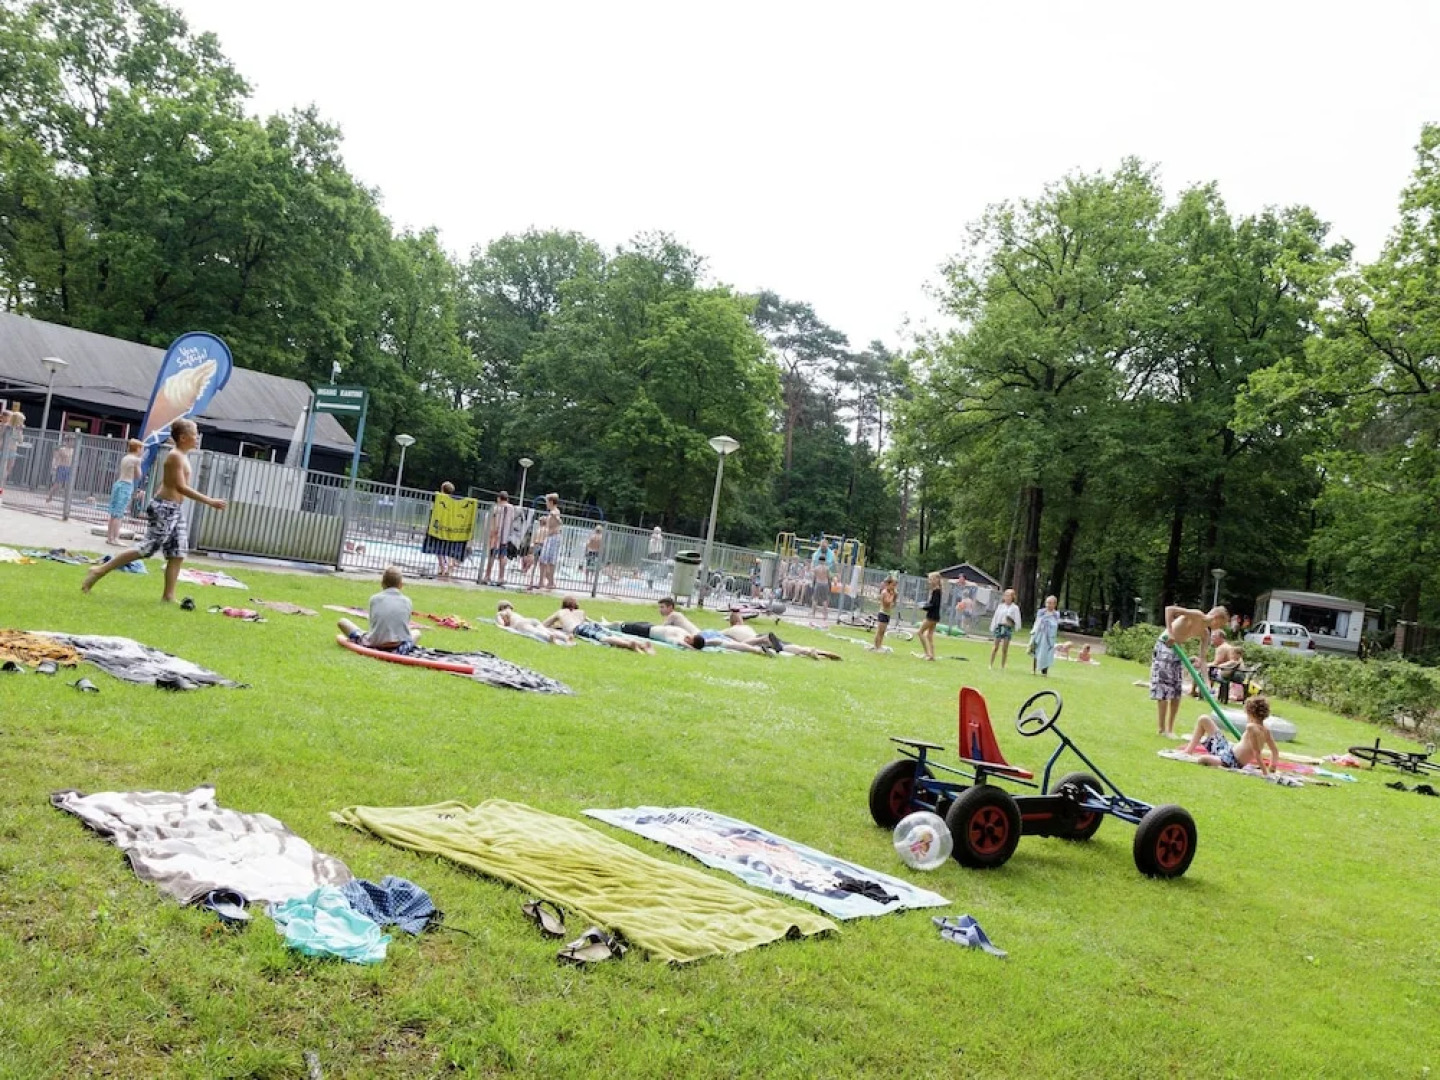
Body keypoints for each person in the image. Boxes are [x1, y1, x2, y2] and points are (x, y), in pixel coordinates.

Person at [81, 420, 228, 602]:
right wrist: (210, 501)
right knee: (147, 547)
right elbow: (180, 487)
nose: (197, 438)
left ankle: (168, 596)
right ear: (183, 438)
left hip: (174, 508)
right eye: (195, 434)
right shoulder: (175, 456)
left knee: (178, 551)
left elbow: (167, 483)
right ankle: (99, 570)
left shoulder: (182, 456)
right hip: (165, 508)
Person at [1151, 604, 1229, 736]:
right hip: (1164, 645)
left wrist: (1207, 683)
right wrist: (1170, 632)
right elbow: (1169, 609)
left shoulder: (1205, 633)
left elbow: (1203, 660)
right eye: (1221, 624)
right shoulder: (1197, 615)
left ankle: (1170, 729)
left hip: (1177, 649)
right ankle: (1161, 729)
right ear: (1216, 618)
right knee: (1163, 690)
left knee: (1176, 692)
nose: (1220, 628)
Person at [1180, 696, 1279, 775]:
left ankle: (1196, 753)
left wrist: (1266, 773)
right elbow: (1275, 751)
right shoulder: (1266, 730)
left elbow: (1257, 753)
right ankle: (1188, 751)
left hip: (1230, 761)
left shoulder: (1252, 728)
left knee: (1203, 759)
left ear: (1250, 713)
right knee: (1204, 719)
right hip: (1227, 748)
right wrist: (1272, 766)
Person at [336, 566, 420, 653]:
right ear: (401, 585)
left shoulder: (374, 599)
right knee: (416, 633)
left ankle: (367, 639)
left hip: (373, 642)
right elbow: (404, 626)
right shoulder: (407, 601)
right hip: (398, 645)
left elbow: (373, 624)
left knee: (342, 622)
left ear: (382, 583)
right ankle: (394, 647)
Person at [543, 596, 653, 653]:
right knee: (609, 635)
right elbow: (591, 621)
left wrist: (558, 626)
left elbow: (544, 624)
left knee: (603, 639)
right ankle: (642, 644)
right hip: (591, 626)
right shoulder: (581, 612)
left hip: (579, 628)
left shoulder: (561, 612)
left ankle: (629, 645)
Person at [722, 610, 840, 659]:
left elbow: (715, 634)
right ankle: (811, 651)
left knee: (739, 644)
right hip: (761, 636)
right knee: (785, 646)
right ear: (740, 621)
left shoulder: (731, 630)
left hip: (757, 639)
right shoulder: (746, 627)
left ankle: (809, 652)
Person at [422, 481, 475, 579]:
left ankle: (443, 567)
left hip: (440, 528)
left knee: (439, 549)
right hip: (452, 529)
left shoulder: (439, 499)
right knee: (450, 548)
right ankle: (449, 567)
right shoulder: (456, 502)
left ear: (442, 489)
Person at [105, 439, 144, 545]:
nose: (142, 451)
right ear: (138, 448)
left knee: (113, 513)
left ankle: (110, 537)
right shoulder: (136, 460)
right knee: (119, 513)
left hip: (118, 483)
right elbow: (138, 475)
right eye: (141, 448)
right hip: (126, 485)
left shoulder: (125, 457)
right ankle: (116, 538)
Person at [496, 600, 573, 645]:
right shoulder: (514, 613)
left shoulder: (501, 613)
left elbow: (501, 625)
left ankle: (548, 638)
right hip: (530, 620)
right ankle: (565, 638)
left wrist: (499, 618)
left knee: (535, 632)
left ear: (501, 608)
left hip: (520, 624)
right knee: (545, 630)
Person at [482, 491, 516, 586]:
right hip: (505, 536)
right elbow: (513, 520)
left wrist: (491, 532)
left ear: (498, 498)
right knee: (503, 556)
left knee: (492, 556)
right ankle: (501, 577)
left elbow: (491, 520)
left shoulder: (497, 508)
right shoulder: (511, 508)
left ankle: (487, 576)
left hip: (495, 536)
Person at [1208, 631, 1246, 704]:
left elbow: (1218, 664)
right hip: (1237, 676)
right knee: (1214, 673)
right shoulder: (1237, 660)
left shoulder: (1224, 650)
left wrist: (1208, 665)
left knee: (1210, 673)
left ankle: (1206, 693)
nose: (1231, 655)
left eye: (1214, 637)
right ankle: (1213, 694)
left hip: (1234, 676)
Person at [989, 588, 1022, 670]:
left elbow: (1017, 619)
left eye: (1009, 596)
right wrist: (993, 626)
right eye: (1006, 595)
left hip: (1007, 627)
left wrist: (1014, 624)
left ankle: (1002, 666)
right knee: (995, 647)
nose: (1007, 597)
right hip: (1000, 626)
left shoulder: (1015, 608)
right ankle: (990, 664)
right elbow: (996, 617)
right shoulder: (1000, 606)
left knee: (1005, 648)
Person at [537, 493, 562, 591]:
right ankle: (543, 581)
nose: (546, 504)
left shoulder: (555, 511)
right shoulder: (551, 512)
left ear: (551, 502)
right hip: (549, 537)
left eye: (547, 501)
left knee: (550, 561)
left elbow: (559, 521)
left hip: (554, 537)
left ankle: (549, 582)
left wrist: (555, 517)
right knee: (543, 560)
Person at [1031, 595, 1060, 676]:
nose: (1049, 605)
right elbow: (1037, 622)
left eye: (1051, 603)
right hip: (1040, 635)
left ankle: (1045, 671)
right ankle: (1034, 669)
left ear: (1055, 604)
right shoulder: (1041, 612)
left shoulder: (1056, 614)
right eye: (1048, 603)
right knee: (1037, 651)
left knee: (1047, 653)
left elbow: (1055, 624)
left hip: (1049, 637)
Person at [916, 572, 943, 661]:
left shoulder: (936, 591)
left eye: (931, 579)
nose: (929, 581)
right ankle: (932, 655)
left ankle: (927, 653)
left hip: (932, 616)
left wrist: (923, 607)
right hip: (934, 616)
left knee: (920, 632)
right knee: (929, 635)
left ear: (936, 580)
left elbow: (933, 605)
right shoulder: (936, 590)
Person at [810, 540, 836, 622]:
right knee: (825, 600)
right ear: (824, 561)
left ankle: (813, 614)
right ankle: (825, 615)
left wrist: (812, 583)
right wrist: (833, 579)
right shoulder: (827, 568)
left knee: (815, 599)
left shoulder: (816, 568)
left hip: (818, 583)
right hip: (825, 584)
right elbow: (829, 577)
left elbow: (814, 577)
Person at [45, 433, 76, 503]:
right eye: (71, 441)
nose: (73, 442)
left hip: (69, 468)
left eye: (73, 441)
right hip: (62, 467)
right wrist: (55, 466)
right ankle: (49, 496)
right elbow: (57, 458)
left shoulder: (73, 450)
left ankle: (67, 500)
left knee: (68, 485)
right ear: (68, 441)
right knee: (57, 484)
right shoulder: (62, 449)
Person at [871, 574, 898, 651]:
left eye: (895, 586)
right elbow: (887, 603)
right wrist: (893, 595)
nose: (894, 588)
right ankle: (876, 646)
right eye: (893, 585)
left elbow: (893, 605)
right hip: (883, 613)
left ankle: (880, 645)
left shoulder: (891, 593)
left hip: (888, 613)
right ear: (888, 584)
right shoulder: (885, 592)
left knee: (883, 631)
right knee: (879, 631)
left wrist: (895, 597)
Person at [1, 403, 24, 483]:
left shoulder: (18, 429)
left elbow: (21, 441)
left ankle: (2, 483)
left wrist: (20, 431)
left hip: (13, 450)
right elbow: (1, 435)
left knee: (9, 469)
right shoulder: (6, 425)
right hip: (3, 449)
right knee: (2, 468)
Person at [583, 524, 603, 590]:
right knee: (594, 567)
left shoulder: (592, 536)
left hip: (590, 551)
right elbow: (601, 547)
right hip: (596, 553)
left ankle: (587, 580)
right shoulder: (601, 537)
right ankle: (591, 580)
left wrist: (586, 551)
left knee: (588, 566)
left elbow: (587, 544)